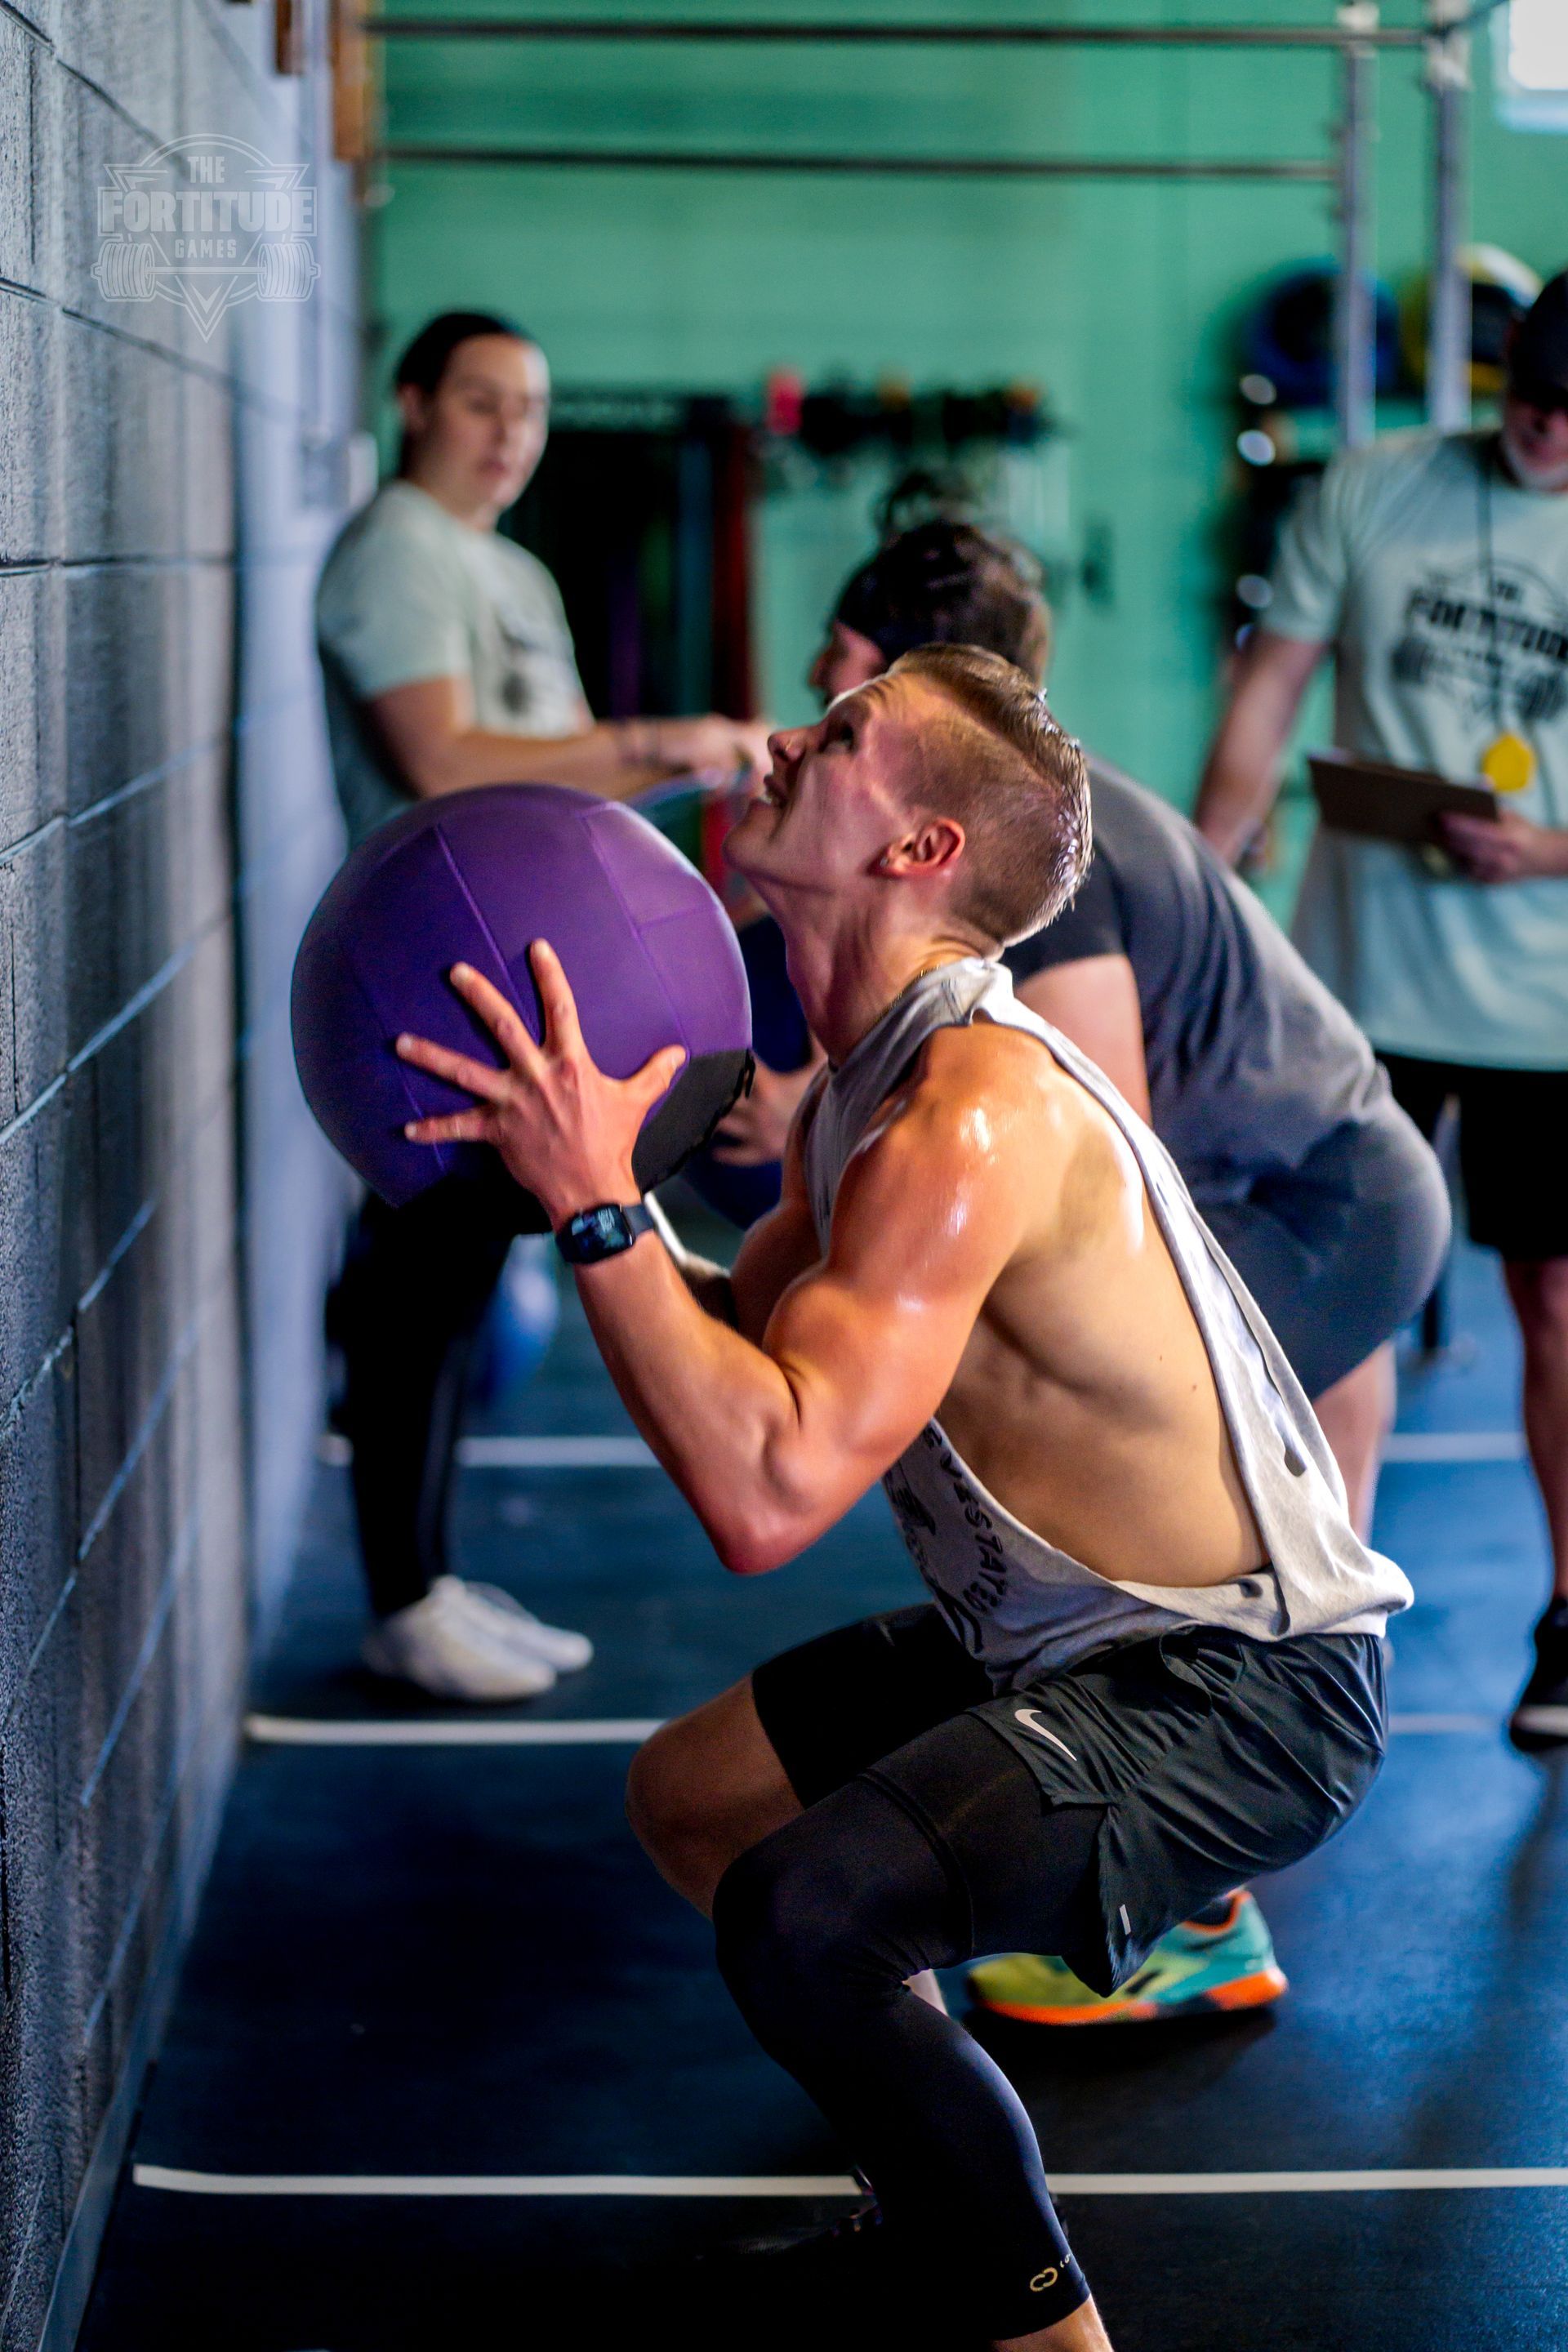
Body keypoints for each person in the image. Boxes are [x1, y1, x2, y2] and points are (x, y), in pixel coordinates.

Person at [393, 647, 1410, 2350]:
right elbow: (753, 1347)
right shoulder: (860, 1084)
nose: (787, 740)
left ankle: (1049, 2336)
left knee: (808, 1917)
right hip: (1077, 1643)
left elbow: (766, 1492)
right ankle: (936, 2208)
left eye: (845, 741)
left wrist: (596, 1214)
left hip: (1244, 1688)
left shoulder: (971, 1113)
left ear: (919, 853)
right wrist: (577, 1192)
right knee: (702, 1802)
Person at [316, 310, 769, 1701]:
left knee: (452, 1288)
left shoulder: (506, 568)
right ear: (412, 404)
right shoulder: (398, 549)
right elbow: (447, 760)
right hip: (428, 967)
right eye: (478, 402)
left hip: (515, 970)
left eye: (528, 408)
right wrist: (658, 739)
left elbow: (560, 800)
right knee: (417, 1282)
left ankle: (431, 1581)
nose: (509, 431)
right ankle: (403, 1598)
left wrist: (688, 790)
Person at [1194, 269, 1568, 1751]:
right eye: (1532, 404)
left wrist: (1549, 848)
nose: (1547, 435)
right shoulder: (1374, 488)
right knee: (1333, 1305)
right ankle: (1314, 1617)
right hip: (1363, 987)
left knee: (1554, 1302)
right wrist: (1205, 896)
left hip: (1550, 1000)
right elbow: (1268, 693)